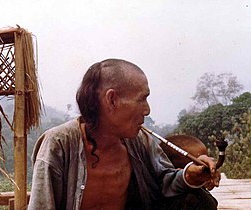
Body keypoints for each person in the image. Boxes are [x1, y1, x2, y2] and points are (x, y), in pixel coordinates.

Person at [28, 59, 220, 210]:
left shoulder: (140, 141)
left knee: (199, 200)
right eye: (142, 99)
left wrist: (189, 176)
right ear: (112, 100)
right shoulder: (58, 144)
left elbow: (164, 181)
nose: (147, 110)